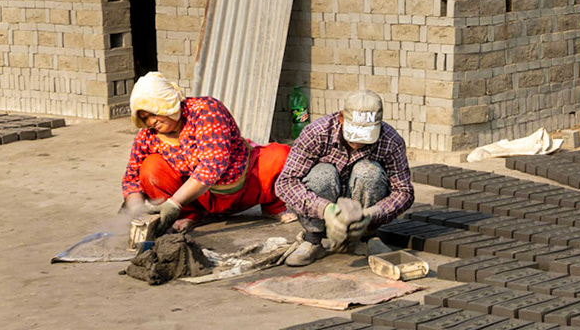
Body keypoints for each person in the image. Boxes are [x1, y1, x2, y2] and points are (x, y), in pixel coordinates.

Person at [122, 73, 290, 236]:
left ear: (168, 103)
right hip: (198, 199)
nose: (152, 122)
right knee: (150, 167)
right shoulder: (147, 137)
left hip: (245, 188)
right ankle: (186, 216)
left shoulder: (206, 111)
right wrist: (137, 212)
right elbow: (132, 179)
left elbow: (212, 166)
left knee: (280, 156)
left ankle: (274, 207)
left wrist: (174, 203)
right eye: (145, 118)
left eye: (153, 113)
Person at [274, 90, 414, 266]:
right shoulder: (316, 133)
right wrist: (326, 210)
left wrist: (371, 214)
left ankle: (366, 238)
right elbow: (285, 183)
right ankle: (313, 240)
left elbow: (404, 192)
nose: (358, 142)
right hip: (321, 207)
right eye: (354, 132)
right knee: (323, 173)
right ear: (341, 118)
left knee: (369, 171)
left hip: (363, 214)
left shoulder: (391, 141)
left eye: (366, 135)